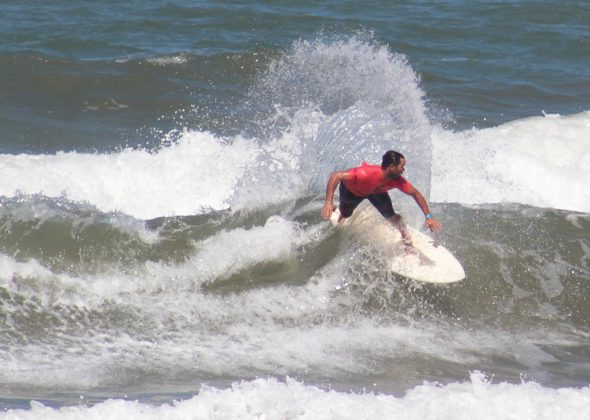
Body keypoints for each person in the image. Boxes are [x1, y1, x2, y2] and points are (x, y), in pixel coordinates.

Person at [321, 150, 441, 248]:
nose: (403, 169)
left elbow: (416, 194)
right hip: (352, 192)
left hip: (376, 193)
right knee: (346, 214)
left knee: (394, 217)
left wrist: (428, 216)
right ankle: (338, 209)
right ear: (392, 166)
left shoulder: (398, 180)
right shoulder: (364, 173)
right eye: (402, 166)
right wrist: (328, 202)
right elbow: (336, 176)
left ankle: (407, 241)